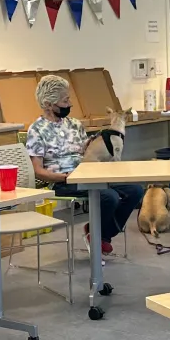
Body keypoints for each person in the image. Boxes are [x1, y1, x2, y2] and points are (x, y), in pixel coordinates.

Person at [27, 75, 143, 256]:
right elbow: (38, 171)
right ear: (49, 104)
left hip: (87, 173)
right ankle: (99, 236)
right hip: (61, 182)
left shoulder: (74, 124)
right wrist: (64, 177)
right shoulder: (37, 130)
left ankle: (101, 233)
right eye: (65, 100)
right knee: (109, 196)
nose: (70, 104)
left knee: (135, 190)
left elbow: (85, 153)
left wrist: (95, 145)